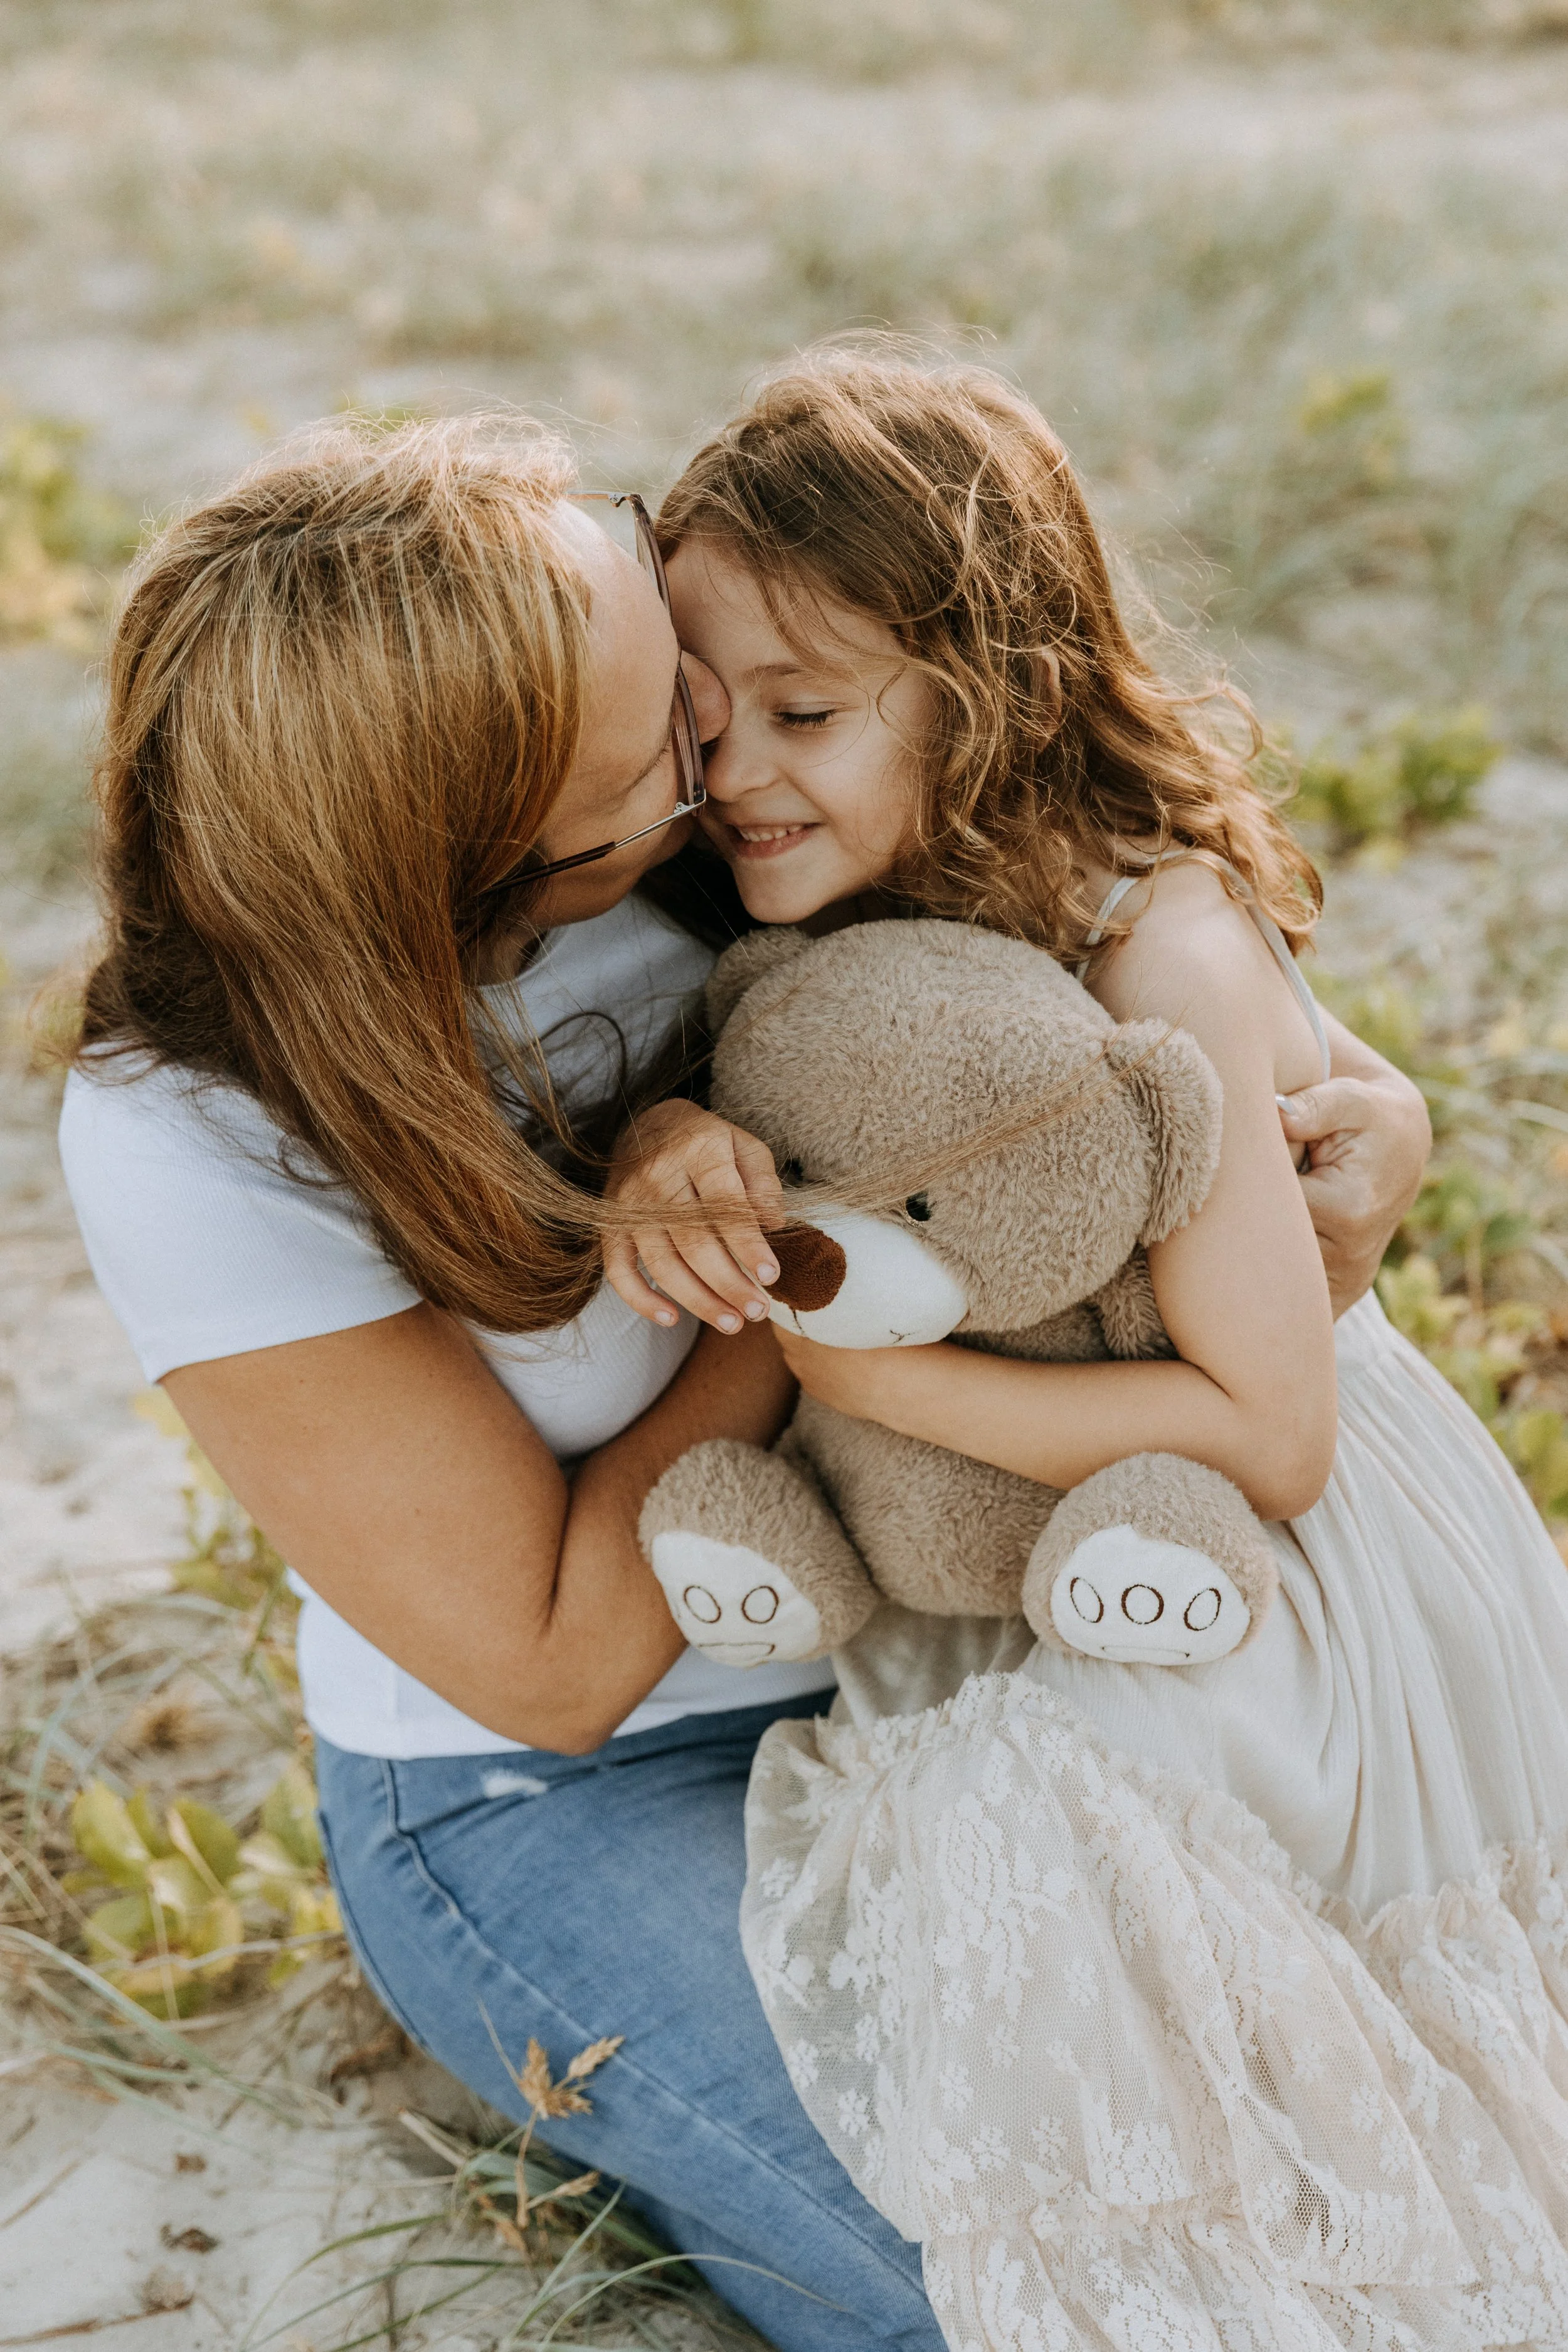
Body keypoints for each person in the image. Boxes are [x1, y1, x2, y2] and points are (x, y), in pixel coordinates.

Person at [58, 411, 1427, 2351]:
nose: (713, 747)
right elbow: (545, 1652)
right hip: (570, 1785)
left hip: (963, 1631)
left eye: (675, 652)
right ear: (503, 847)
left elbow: (1090, 958)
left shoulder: (719, 816)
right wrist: (776, 1289)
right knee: (1039, 2279)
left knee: (1344, 2162)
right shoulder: (192, 1122)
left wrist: (1373, 1112)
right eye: (662, 750)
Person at [604, 352, 1568, 2339]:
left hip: (1286, 1561)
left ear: (997, 684)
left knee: (1043, 1848)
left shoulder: (1153, 943)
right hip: (1040, 1524)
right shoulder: (800, 900)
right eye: (697, 725)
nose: (740, 774)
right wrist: (666, 1134)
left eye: (803, 711)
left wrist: (865, 1385)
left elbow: (1268, 1430)